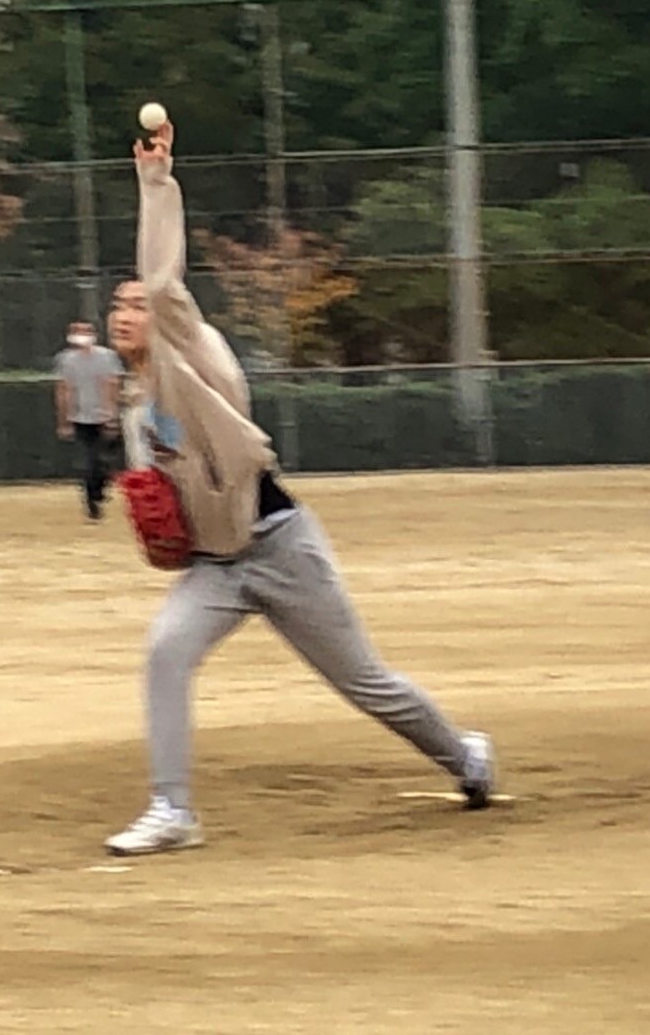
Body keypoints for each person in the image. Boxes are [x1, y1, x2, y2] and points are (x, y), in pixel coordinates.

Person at [101, 120, 495, 857]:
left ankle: (466, 758)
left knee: (366, 683)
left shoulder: (195, 358)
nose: (124, 313)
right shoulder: (135, 405)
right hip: (216, 567)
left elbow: (162, 282)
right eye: (115, 306)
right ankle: (172, 810)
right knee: (165, 653)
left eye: (133, 305)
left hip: (280, 546)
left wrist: (155, 184)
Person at [54, 321, 125, 521]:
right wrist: (64, 419)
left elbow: (111, 385)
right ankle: (92, 500)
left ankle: (99, 488)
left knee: (104, 460)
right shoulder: (65, 360)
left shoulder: (107, 357)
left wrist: (112, 415)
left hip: (103, 417)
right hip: (80, 417)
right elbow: (63, 390)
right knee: (90, 460)